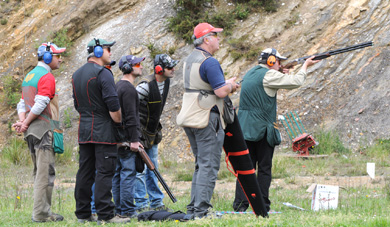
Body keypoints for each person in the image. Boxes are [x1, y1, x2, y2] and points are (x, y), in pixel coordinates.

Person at [232, 48, 320, 212]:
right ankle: (262, 205)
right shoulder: (270, 75)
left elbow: (268, 84)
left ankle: (240, 205)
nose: (280, 64)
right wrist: (305, 66)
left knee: (245, 169)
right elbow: (295, 82)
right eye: (278, 62)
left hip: (244, 129)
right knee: (264, 169)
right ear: (271, 61)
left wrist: (282, 72)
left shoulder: (251, 73)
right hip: (262, 130)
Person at [176, 23, 239, 219]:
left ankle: (194, 209)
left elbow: (202, 84)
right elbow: (220, 91)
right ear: (207, 39)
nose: (219, 39)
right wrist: (231, 86)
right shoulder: (210, 62)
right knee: (209, 164)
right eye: (216, 35)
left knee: (200, 163)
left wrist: (223, 83)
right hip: (206, 117)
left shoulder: (191, 59)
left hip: (191, 115)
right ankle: (202, 211)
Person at [72, 38, 130, 224]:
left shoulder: (76, 74)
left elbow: (76, 105)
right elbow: (113, 106)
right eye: (107, 49)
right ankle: (105, 215)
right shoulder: (103, 73)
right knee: (105, 172)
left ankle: (82, 214)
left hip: (84, 130)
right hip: (104, 131)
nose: (110, 53)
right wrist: (120, 125)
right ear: (97, 52)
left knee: (85, 172)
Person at [12, 42, 66, 222]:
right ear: (48, 57)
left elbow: (22, 103)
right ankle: (41, 215)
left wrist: (22, 121)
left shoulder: (29, 76)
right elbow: (42, 102)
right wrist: (25, 122)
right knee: (45, 172)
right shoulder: (47, 76)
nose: (60, 59)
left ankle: (43, 211)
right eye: (57, 56)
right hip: (43, 130)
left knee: (38, 172)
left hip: (32, 132)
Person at [134, 54, 179, 211]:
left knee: (153, 168)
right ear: (159, 70)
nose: (173, 69)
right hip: (138, 133)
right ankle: (141, 204)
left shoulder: (166, 83)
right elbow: (127, 105)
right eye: (169, 67)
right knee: (139, 170)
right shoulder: (144, 86)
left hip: (152, 133)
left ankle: (156, 202)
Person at [112, 55, 145, 218]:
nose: (141, 66)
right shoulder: (129, 89)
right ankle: (127, 210)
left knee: (118, 174)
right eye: (137, 64)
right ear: (128, 68)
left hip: (117, 138)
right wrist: (134, 140)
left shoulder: (117, 86)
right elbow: (132, 117)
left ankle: (119, 210)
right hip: (126, 139)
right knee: (127, 174)